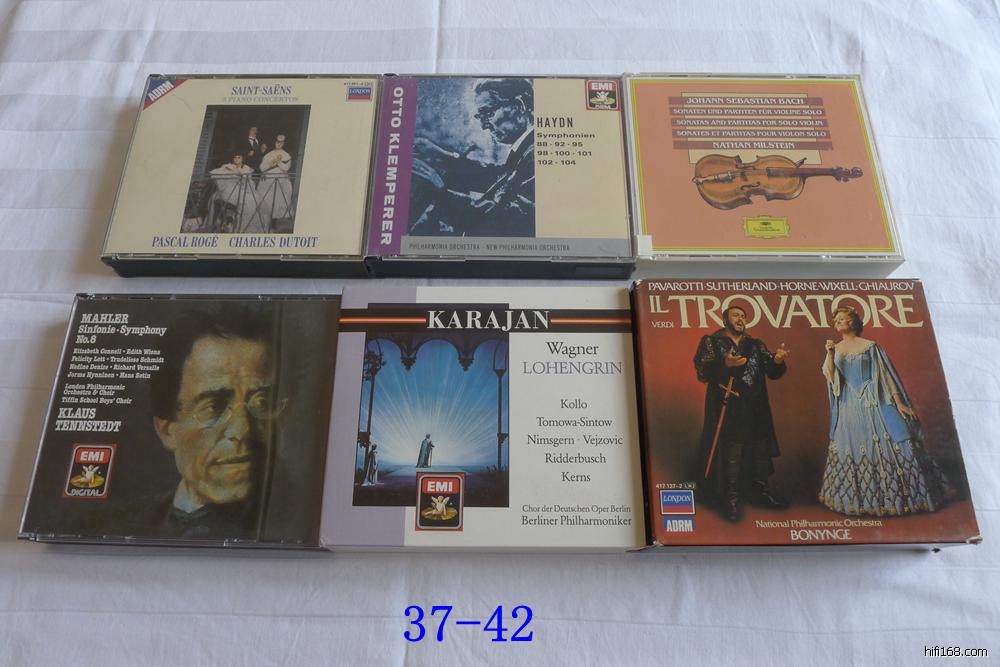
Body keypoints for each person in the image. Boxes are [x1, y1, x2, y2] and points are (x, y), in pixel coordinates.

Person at [141, 307, 285, 538]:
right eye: (213, 407)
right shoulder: (121, 523)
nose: (243, 430)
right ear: (167, 430)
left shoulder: (299, 517)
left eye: (262, 402)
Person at [818, 307, 950, 516]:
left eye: (842, 318)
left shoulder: (870, 346)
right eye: (836, 320)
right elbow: (832, 378)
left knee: (897, 439)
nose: (838, 322)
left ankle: (905, 499)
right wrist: (830, 353)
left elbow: (887, 377)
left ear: (852, 322)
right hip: (849, 406)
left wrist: (899, 403)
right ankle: (862, 502)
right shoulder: (835, 348)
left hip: (875, 399)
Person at [694, 305, 790, 521]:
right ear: (725, 320)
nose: (740, 319)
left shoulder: (755, 344)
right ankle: (731, 499)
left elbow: (772, 371)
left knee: (760, 449)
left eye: (743, 316)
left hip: (756, 405)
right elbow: (703, 371)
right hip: (728, 406)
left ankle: (760, 493)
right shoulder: (712, 341)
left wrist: (777, 360)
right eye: (735, 315)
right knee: (733, 452)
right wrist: (725, 364)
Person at [410, 78, 535, 237]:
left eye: (487, 113)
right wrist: (441, 156)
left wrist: (440, 190)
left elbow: (505, 220)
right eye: (480, 117)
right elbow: (497, 177)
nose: (484, 125)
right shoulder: (525, 151)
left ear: (519, 106)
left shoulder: (535, 154)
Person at [207, 151, 256, 232]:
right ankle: (221, 224)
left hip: (241, 188)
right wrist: (230, 173)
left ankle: (240, 226)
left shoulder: (246, 168)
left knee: (250, 200)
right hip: (228, 188)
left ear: (242, 158)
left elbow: (248, 180)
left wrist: (239, 173)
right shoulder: (228, 166)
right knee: (225, 199)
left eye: (239, 157)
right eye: (235, 157)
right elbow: (215, 174)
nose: (236, 159)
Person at [255, 134, 294, 232]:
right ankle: (264, 221)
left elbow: (286, 168)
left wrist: (279, 162)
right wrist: (270, 163)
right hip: (268, 180)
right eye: (277, 142)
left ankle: (274, 221)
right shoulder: (268, 154)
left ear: (283, 144)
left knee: (278, 199)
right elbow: (262, 168)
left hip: (280, 180)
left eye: (281, 143)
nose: (278, 144)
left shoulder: (286, 155)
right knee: (265, 199)